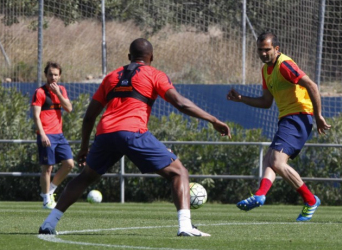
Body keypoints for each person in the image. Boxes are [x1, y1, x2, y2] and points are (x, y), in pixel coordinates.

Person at [39, 38, 231, 236]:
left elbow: (89, 117)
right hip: (132, 132)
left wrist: (84, 148)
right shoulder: (154, 74)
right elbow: (180, 103)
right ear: (152, 58)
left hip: (105, 133)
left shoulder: (112, 76)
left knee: (86, 177)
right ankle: (185, 227)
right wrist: (212, 119)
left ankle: (49, 224)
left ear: (129, 57)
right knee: (179, 172)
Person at [227, 31, 331, 221]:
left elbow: (312, 85)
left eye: (267, 50)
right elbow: (267, 102)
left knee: (277, 161)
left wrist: (318, 116)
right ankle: (260, 195)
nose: (263, 54)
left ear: (276, 49)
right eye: (260, 50)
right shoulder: (265, 70)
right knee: (269, 160)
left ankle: (310, 200)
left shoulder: (284, 65)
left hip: (299, 116)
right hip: (287, 119)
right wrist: (241, 98)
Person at [31, 61, 74, 209]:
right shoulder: (40, 92)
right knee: (47, 168)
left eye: (56, 75)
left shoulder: (61, 90)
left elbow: (69, 108)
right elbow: (36, 116)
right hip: (46, 135)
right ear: (46, 75)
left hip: (59, 135)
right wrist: (42, 135)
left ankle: (50, 191)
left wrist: (58, 94)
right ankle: (46, 200)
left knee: (69, 164)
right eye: (50, 75)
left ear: (59, 76)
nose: (53, 77)